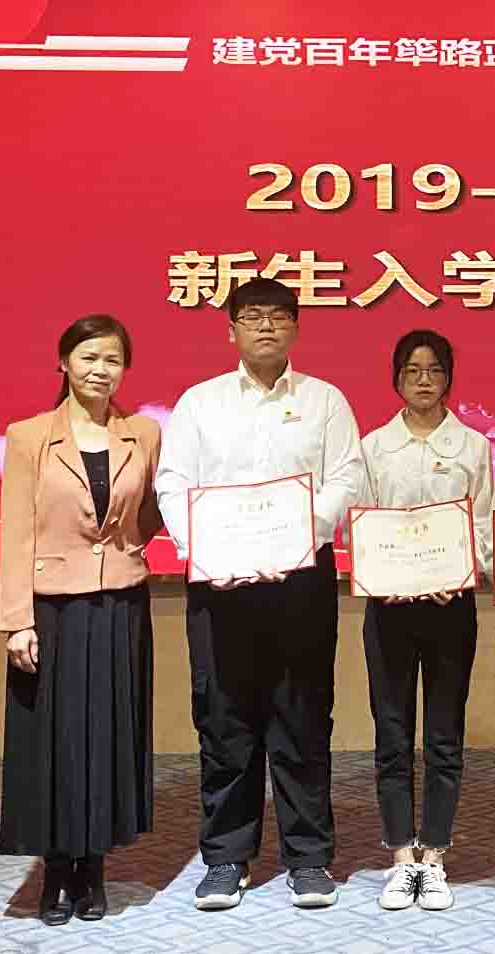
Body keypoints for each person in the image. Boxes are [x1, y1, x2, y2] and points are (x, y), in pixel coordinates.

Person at [155, 277, 364, 911]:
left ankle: (308, 858)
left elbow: (346, 476)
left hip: (300, 580)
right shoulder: (200, 403)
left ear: (296, 327)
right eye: (251, 317)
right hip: (220, 584)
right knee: (224, 720)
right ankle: (226, 857)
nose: (266, 326)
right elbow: (173, 483)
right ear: (231, 331)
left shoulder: (325, 401)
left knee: (303, 717)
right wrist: (204, 551)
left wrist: (297, 539)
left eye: (277, 316)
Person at [0, 314, 162, 925]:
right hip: (51, 609)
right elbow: (15, 531)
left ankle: (93, 867)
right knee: (55, 740)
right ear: (63, 362)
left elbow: (152, 513)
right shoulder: (28, 436)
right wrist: (18, 620)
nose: (101, 369)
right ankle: (55, 868)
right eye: (89, 357)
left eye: (113, 359)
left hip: (120, 603)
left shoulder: (143, 433)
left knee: (109, 736)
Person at [360, 329, 494, 913]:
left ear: (448, 378)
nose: (423, 379)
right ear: (396, 379)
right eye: (412, 370)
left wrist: (462, 569)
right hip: (388, 609)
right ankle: (399, 857)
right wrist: (380, 572)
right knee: (392, 735)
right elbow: (360, 523)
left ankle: (434, 857)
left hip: (449, 608)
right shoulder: (373, 448)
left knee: (443, 737)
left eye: (434, 369)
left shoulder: (473, 447)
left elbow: (483, 527)